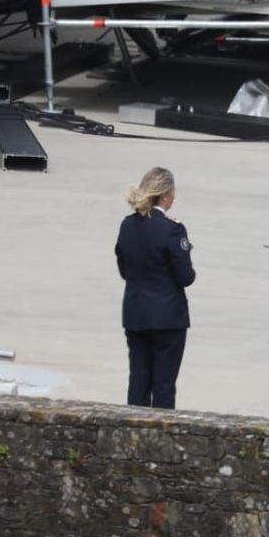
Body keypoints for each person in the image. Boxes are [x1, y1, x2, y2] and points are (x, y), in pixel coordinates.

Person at [116, 166, 194, 409]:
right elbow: (185, 277)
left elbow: (124, 269)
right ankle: (160, 439)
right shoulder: (172, 230)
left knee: (138, 380)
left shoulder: (127, 225)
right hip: (167, 318)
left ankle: (132, 433)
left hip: (136, 313)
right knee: (163, 383)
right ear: (165, 195)